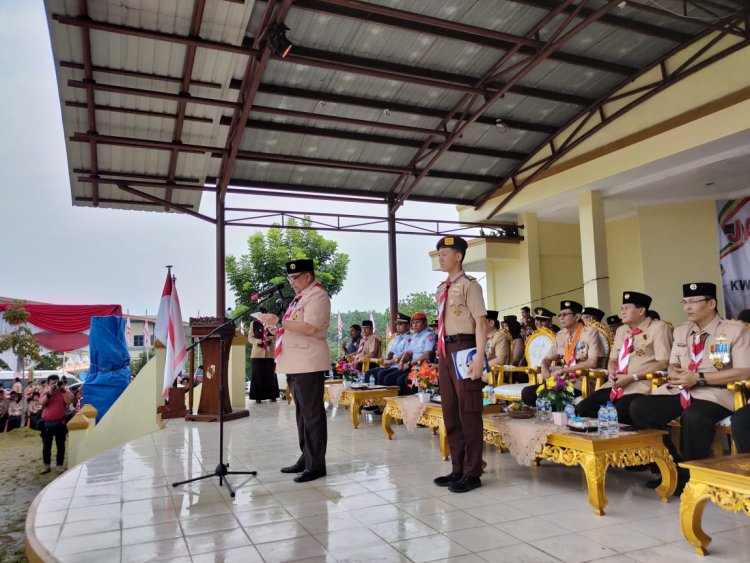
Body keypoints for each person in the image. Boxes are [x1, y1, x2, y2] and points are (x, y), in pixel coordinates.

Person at [629, 282, 750, 493]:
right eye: (684, 302)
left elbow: (744, 371)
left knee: (694, 417)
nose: (687, 307)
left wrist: (700, 377)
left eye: (693, 302)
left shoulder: (734, 330)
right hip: (681, 388)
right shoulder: (682, 331)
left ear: (711, 303)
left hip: (715, 392)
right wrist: (674, 371)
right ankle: (672, 468)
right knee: (639, 407)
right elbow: (673, 363)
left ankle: (696, 477)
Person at [258, 259, 331, 483]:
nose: (291, 283)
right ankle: (306, 457)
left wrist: (280, 321)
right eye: (289, 278)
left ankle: (317, 464)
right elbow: (293, 327)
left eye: (294, 278)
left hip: (308, 363)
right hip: (295, 363)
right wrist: (277, 327)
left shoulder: (317, 296)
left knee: (312, 415)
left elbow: (310, 327)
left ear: (307, 276)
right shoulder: (300, 298)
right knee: (302, 416)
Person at [432, 235, 488, 493]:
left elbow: (481, 323)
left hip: (465, 349)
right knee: (450, 411)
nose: (441, 257)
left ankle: (472, 471)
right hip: (445, 351)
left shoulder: (470, 285)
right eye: (439, 253)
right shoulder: (441, 289)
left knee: (469, 412)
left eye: (445, 253)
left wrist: (479, 357)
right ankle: (457, 468)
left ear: (459, 256)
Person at [576, 292, 672, 424]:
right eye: (621, 308)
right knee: (583, 408)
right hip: (615, 384)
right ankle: (600, 442)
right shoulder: (622, 330)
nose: (622, 312)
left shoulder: (659, 328)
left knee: (618, 412)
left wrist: (632, 376)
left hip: (640, 385)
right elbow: (613, 360)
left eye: (627, 308)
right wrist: (611, 372)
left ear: (641, 310)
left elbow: (663, 363)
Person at [521, 300, 604, 407]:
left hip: (582, 382)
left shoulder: (590, 333)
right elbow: (547, 358)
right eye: (560, 315)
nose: (561, 317)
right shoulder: (561, 335)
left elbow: (592, 362)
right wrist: (544, 367)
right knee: (528, 393)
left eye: (565, 314)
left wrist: (563, 370)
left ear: (577, 316)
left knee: (554, 398)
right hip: (562, 381)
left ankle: (557, 421)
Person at [382, 313, 435, 394]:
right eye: (413, 323)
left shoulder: (429, 335)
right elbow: (408, 353)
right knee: (388, 378)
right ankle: (395, 404)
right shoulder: (415, 336)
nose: (414, 325)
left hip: (423, 368)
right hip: (412, 367)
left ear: (424, 323)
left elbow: (427, 355)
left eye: (417, 322)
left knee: (404, 380)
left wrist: (410, 364)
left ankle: (409, 405)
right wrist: (402, 362)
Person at [39, 374, 73, 474]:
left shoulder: (63, 392)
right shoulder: (45, 393)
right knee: (46, 446)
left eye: (56, 383)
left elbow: (69, 401)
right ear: (48, 384)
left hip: (60, 423)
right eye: (52, 383)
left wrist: (62, 391)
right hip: (47, 424)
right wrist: (50, 393)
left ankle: (59, 465)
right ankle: (46, 466)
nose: (55, 385)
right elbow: (41, 403)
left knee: (61, 445)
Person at [364, 313, 411, 383]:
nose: (398, 326)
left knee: (382, 375)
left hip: (399, 366)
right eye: (397, 324)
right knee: (368, 373)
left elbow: (405, 354)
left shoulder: (410, 338)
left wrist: (391, 361)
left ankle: (382, 393)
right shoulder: (397, 338)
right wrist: (386, 361)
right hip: (391, 365)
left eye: (400, 324)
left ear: (408, 326)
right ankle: (369, 393)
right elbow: (391, 353)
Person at [247, 317, 279, 403]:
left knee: (270, 374)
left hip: (269, 353)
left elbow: (276, 336)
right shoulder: (253, 323)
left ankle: (273, 396)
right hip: (257, 354)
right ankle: (258, 397)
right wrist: (259, 341)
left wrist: (269, 340)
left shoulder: (272, 323)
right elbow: (250, 338)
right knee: (257, 374)